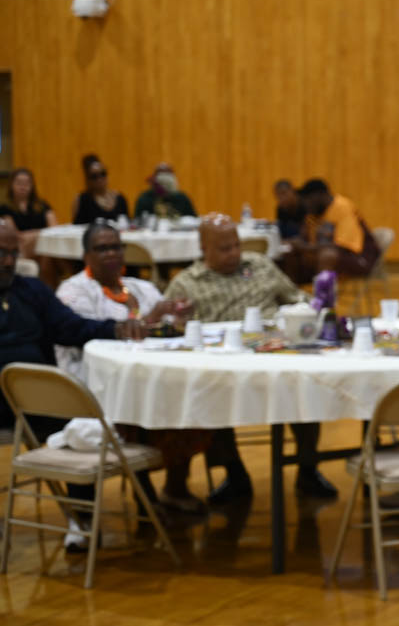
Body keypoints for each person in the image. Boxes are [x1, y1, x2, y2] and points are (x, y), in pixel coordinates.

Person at [164, 213, 338, 503]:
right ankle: (235, 473)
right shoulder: (185, 284)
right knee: (206, 393)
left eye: (236, 245)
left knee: (306, 384)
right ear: (204, 249)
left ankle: (307, 468)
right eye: (224, 248)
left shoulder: (260, 265)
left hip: (278, 357)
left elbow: (297, 299)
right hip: (225, 370)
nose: (234, 253)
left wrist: (322, 304)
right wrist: (178, 321)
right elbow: (170, 330)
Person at [0, 219, 146, 550]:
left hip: (38, 403)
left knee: (82, 420)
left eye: (13, 253)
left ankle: (82, 519)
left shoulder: (32, 290)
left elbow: (72, 328)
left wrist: (116, 329)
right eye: (0, 253)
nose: (8, 261)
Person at [55, 221, 208, 513]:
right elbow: (91, 337)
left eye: (116, 247)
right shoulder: (73, 292)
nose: (111, 254)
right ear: (86, 256)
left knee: (192, 403)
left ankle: (175, 488)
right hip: (94, 385)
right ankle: (146, 497)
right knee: (146, 411)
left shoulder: (141, 288)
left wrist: (178, 318)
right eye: (102, 249)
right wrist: (151, 319)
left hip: (144, 380)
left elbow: (165, 331)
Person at [285, 178, 381, 284]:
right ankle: (292, 292)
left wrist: (305, 247)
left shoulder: (342, 206)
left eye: (308, 199)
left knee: (327, 255)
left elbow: (341, 246)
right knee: (290, 253)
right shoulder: (314, 213)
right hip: (330, 257)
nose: (305, 204)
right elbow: (308, 241)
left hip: (359, 257)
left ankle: (323, 294)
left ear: (320, 195)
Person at [0, 167, 57, 260]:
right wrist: (40, 234)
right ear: (11, 185)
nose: (23, 187)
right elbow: (14, 235)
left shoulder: (43, 205)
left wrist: (33, 235)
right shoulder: (5, 209)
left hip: (44, 248)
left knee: (49, 255)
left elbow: (54, 229)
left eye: (27, 183)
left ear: (32, 186)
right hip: (21, 249)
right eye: (19, 183)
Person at [72, 154, 129, 224]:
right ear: (88, 179)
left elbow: (127, 224)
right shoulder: (82, 200)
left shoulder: (120, 198)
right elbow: (76, 227)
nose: (100, 179)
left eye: (103, 174)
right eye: (94, 176)